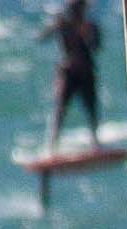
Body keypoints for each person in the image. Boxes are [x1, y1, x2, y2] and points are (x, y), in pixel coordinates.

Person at [44, 0, 103, 148]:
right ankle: (53, 144)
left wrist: (86, 33)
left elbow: (96, 46)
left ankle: (94, 140)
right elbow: (42, 36)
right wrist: (55, 24)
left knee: (91, 107)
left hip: (85, 72)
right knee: (60, 108)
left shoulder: (90, 25)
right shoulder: (63, 24)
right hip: (68, 72)